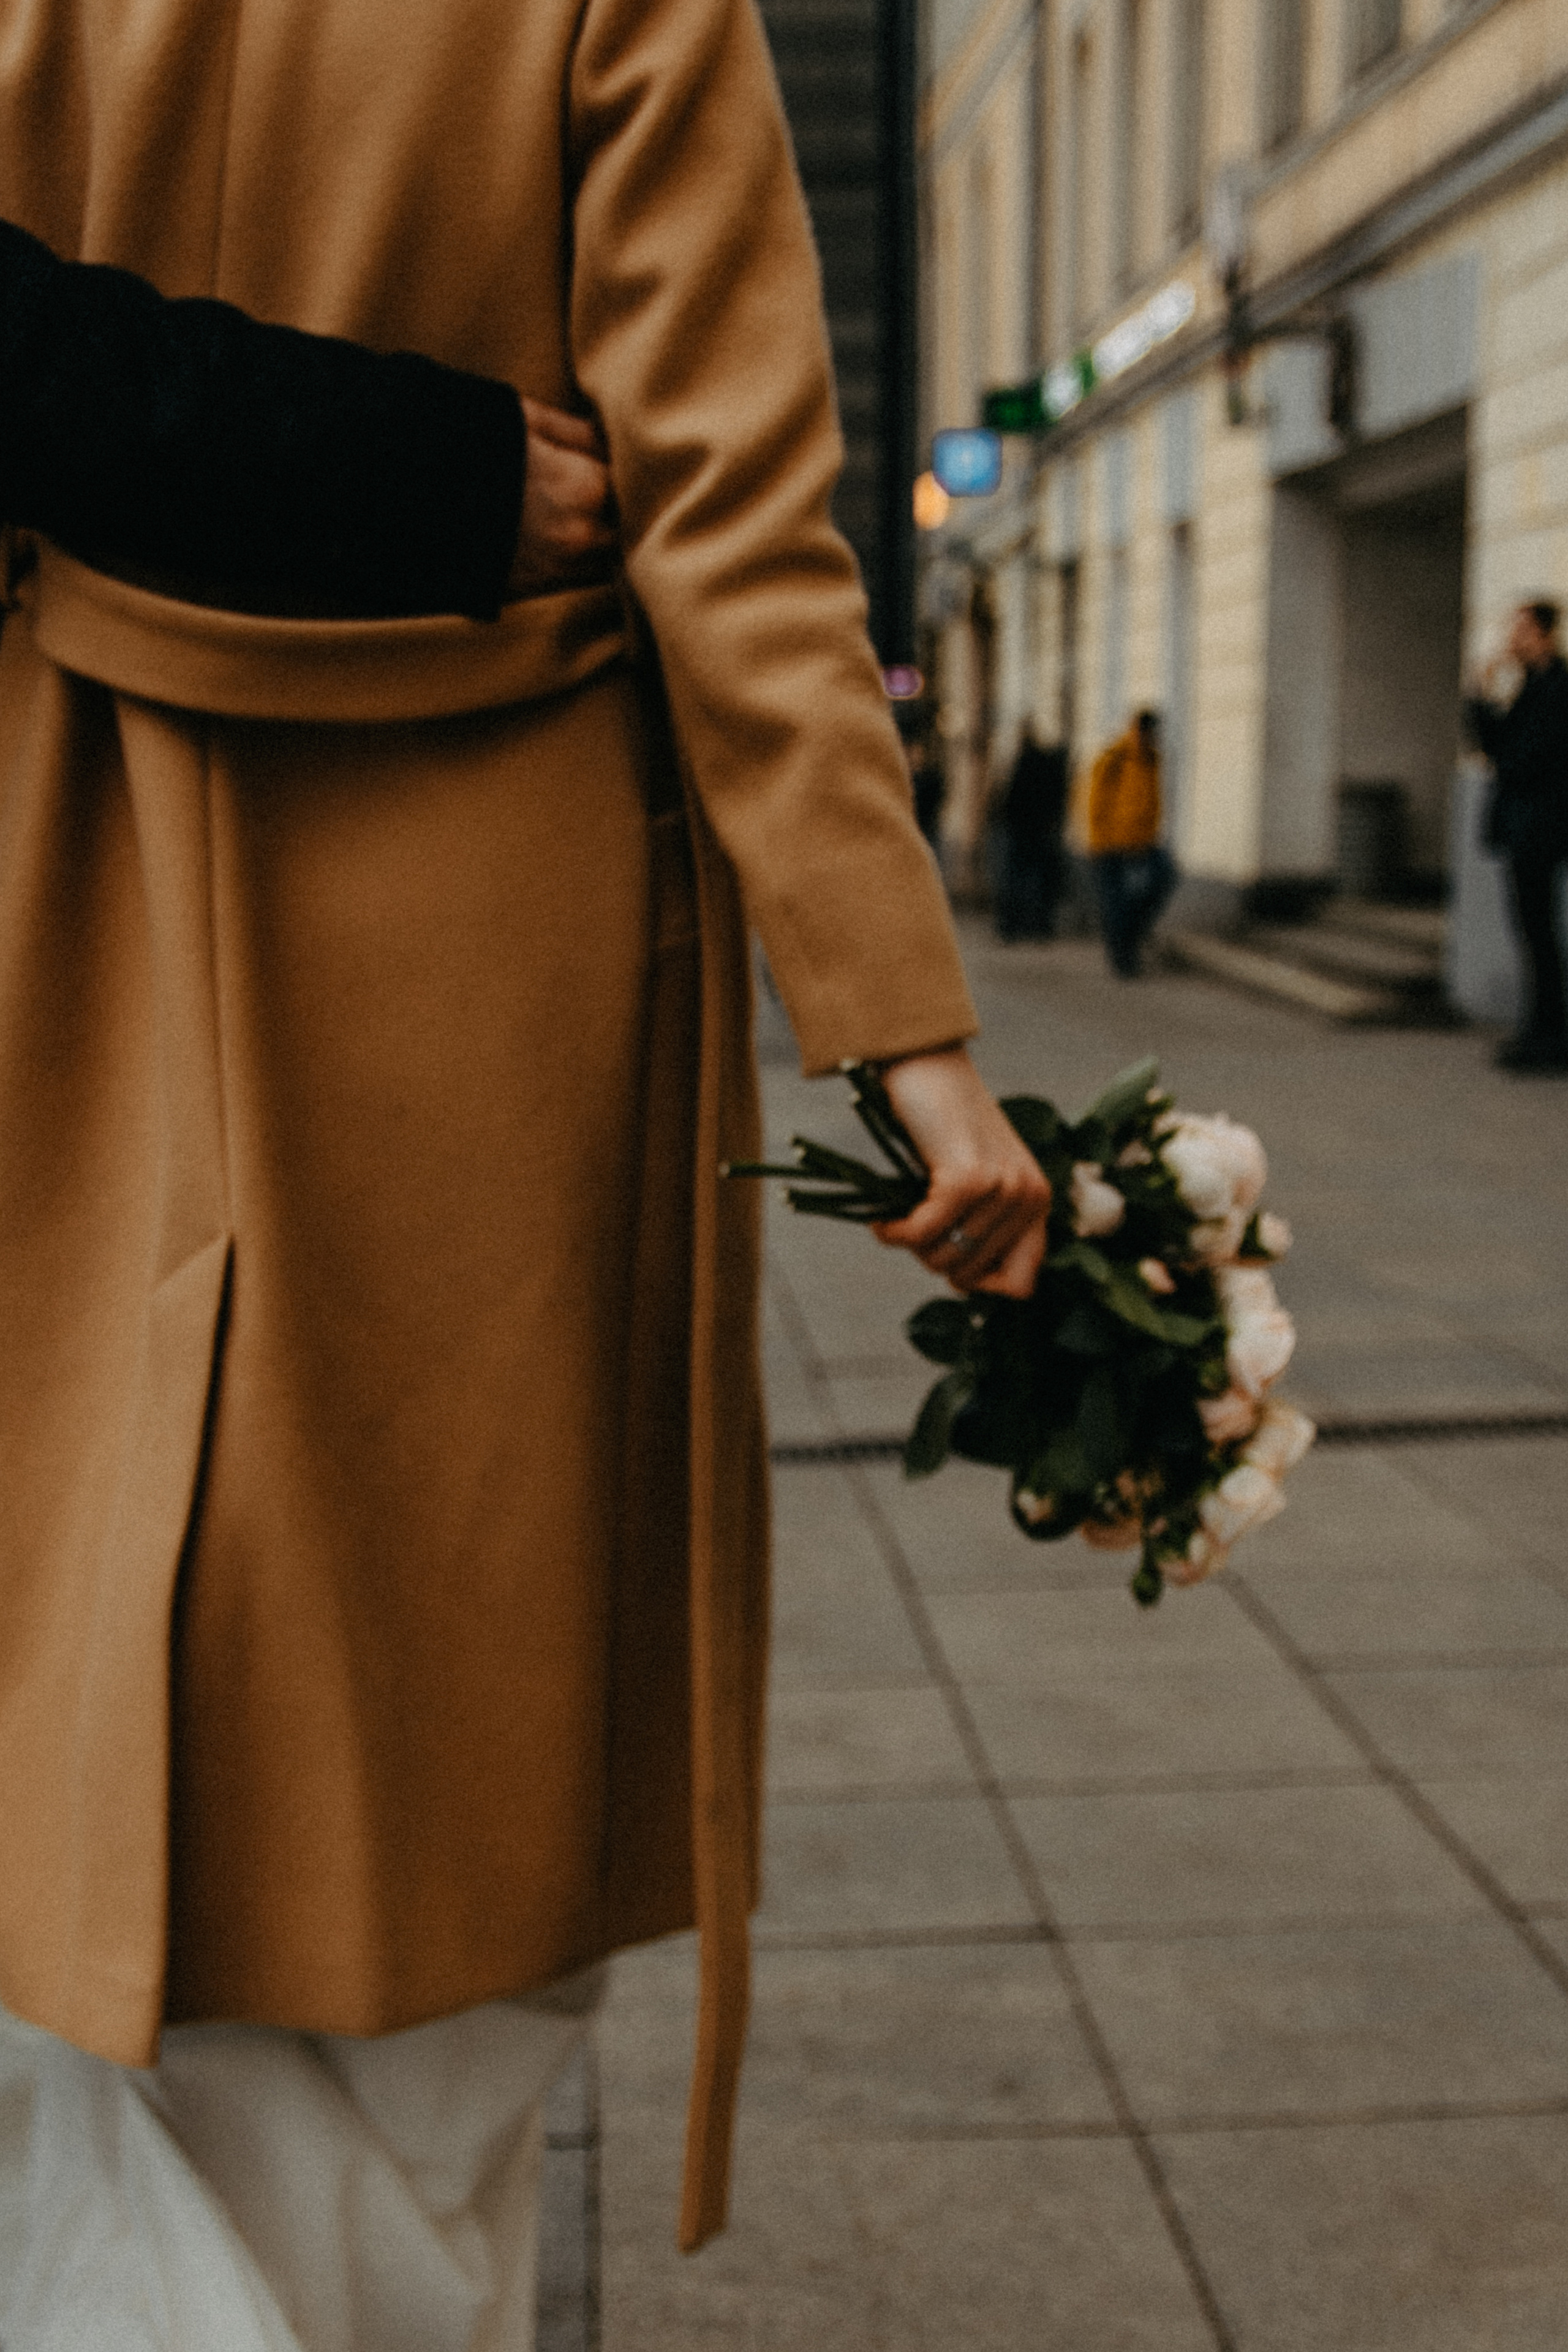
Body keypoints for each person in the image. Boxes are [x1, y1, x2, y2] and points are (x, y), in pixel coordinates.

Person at [0, 2, 1050, 2346]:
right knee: (427, 1870)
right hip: (484, 944)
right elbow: (740, 529)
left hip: (49, 873)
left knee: (61, 1735)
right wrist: (901, 1035)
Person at [1466, 599, 1568, 1074]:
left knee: (1539, 932)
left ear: (1543, 634)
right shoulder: (1531, 687)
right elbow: (1494, 747)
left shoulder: (1555, 688)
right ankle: (1540, 1031)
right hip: (1527, 829)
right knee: (1533, 931)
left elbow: (1517, 758)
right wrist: (1481, 695)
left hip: (1541, 830)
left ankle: (1549, 1037)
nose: (1512, 639)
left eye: (1521, 630)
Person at [1084, 707, 1177, 976]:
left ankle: (1132, 935)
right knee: (1116, 903)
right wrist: (1096, 840)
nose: (1148, 737)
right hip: (1110, 844)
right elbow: (1095, 802)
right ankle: (1123, 958)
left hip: (1143, 843)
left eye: (1152, 732)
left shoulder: (1153, 760)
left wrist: (1151, 831)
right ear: (1135, 730)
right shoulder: (1114, 758)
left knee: (1164, 877)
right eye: (1144, 731)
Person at [993, 723, 1068, 941]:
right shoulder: (1049, 766)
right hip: (1040, 832)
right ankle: (1040, 927)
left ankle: (1011, 927)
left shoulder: (1024, 764)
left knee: (1016, 880)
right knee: (1040, 881)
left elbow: (1011, 799)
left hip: (1022, 832)